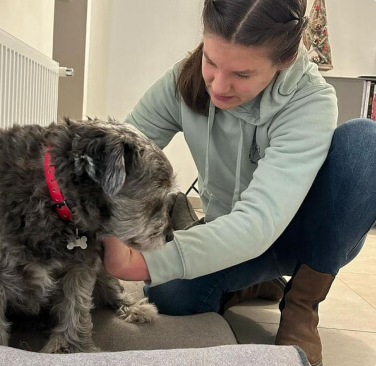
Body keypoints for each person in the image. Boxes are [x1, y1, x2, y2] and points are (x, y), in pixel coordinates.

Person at [102, 1, 376, 365]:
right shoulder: (180, 80)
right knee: (169, 297)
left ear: (285, 60)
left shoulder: (310, 100)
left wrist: (140, 262)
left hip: (304, 238)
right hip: (228, 226)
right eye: (211, 62)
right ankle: (253, 281)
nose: (218, 84)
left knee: (365, 141)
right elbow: (120, 154)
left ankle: (301, 306)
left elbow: (258, 222)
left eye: (242, 74)